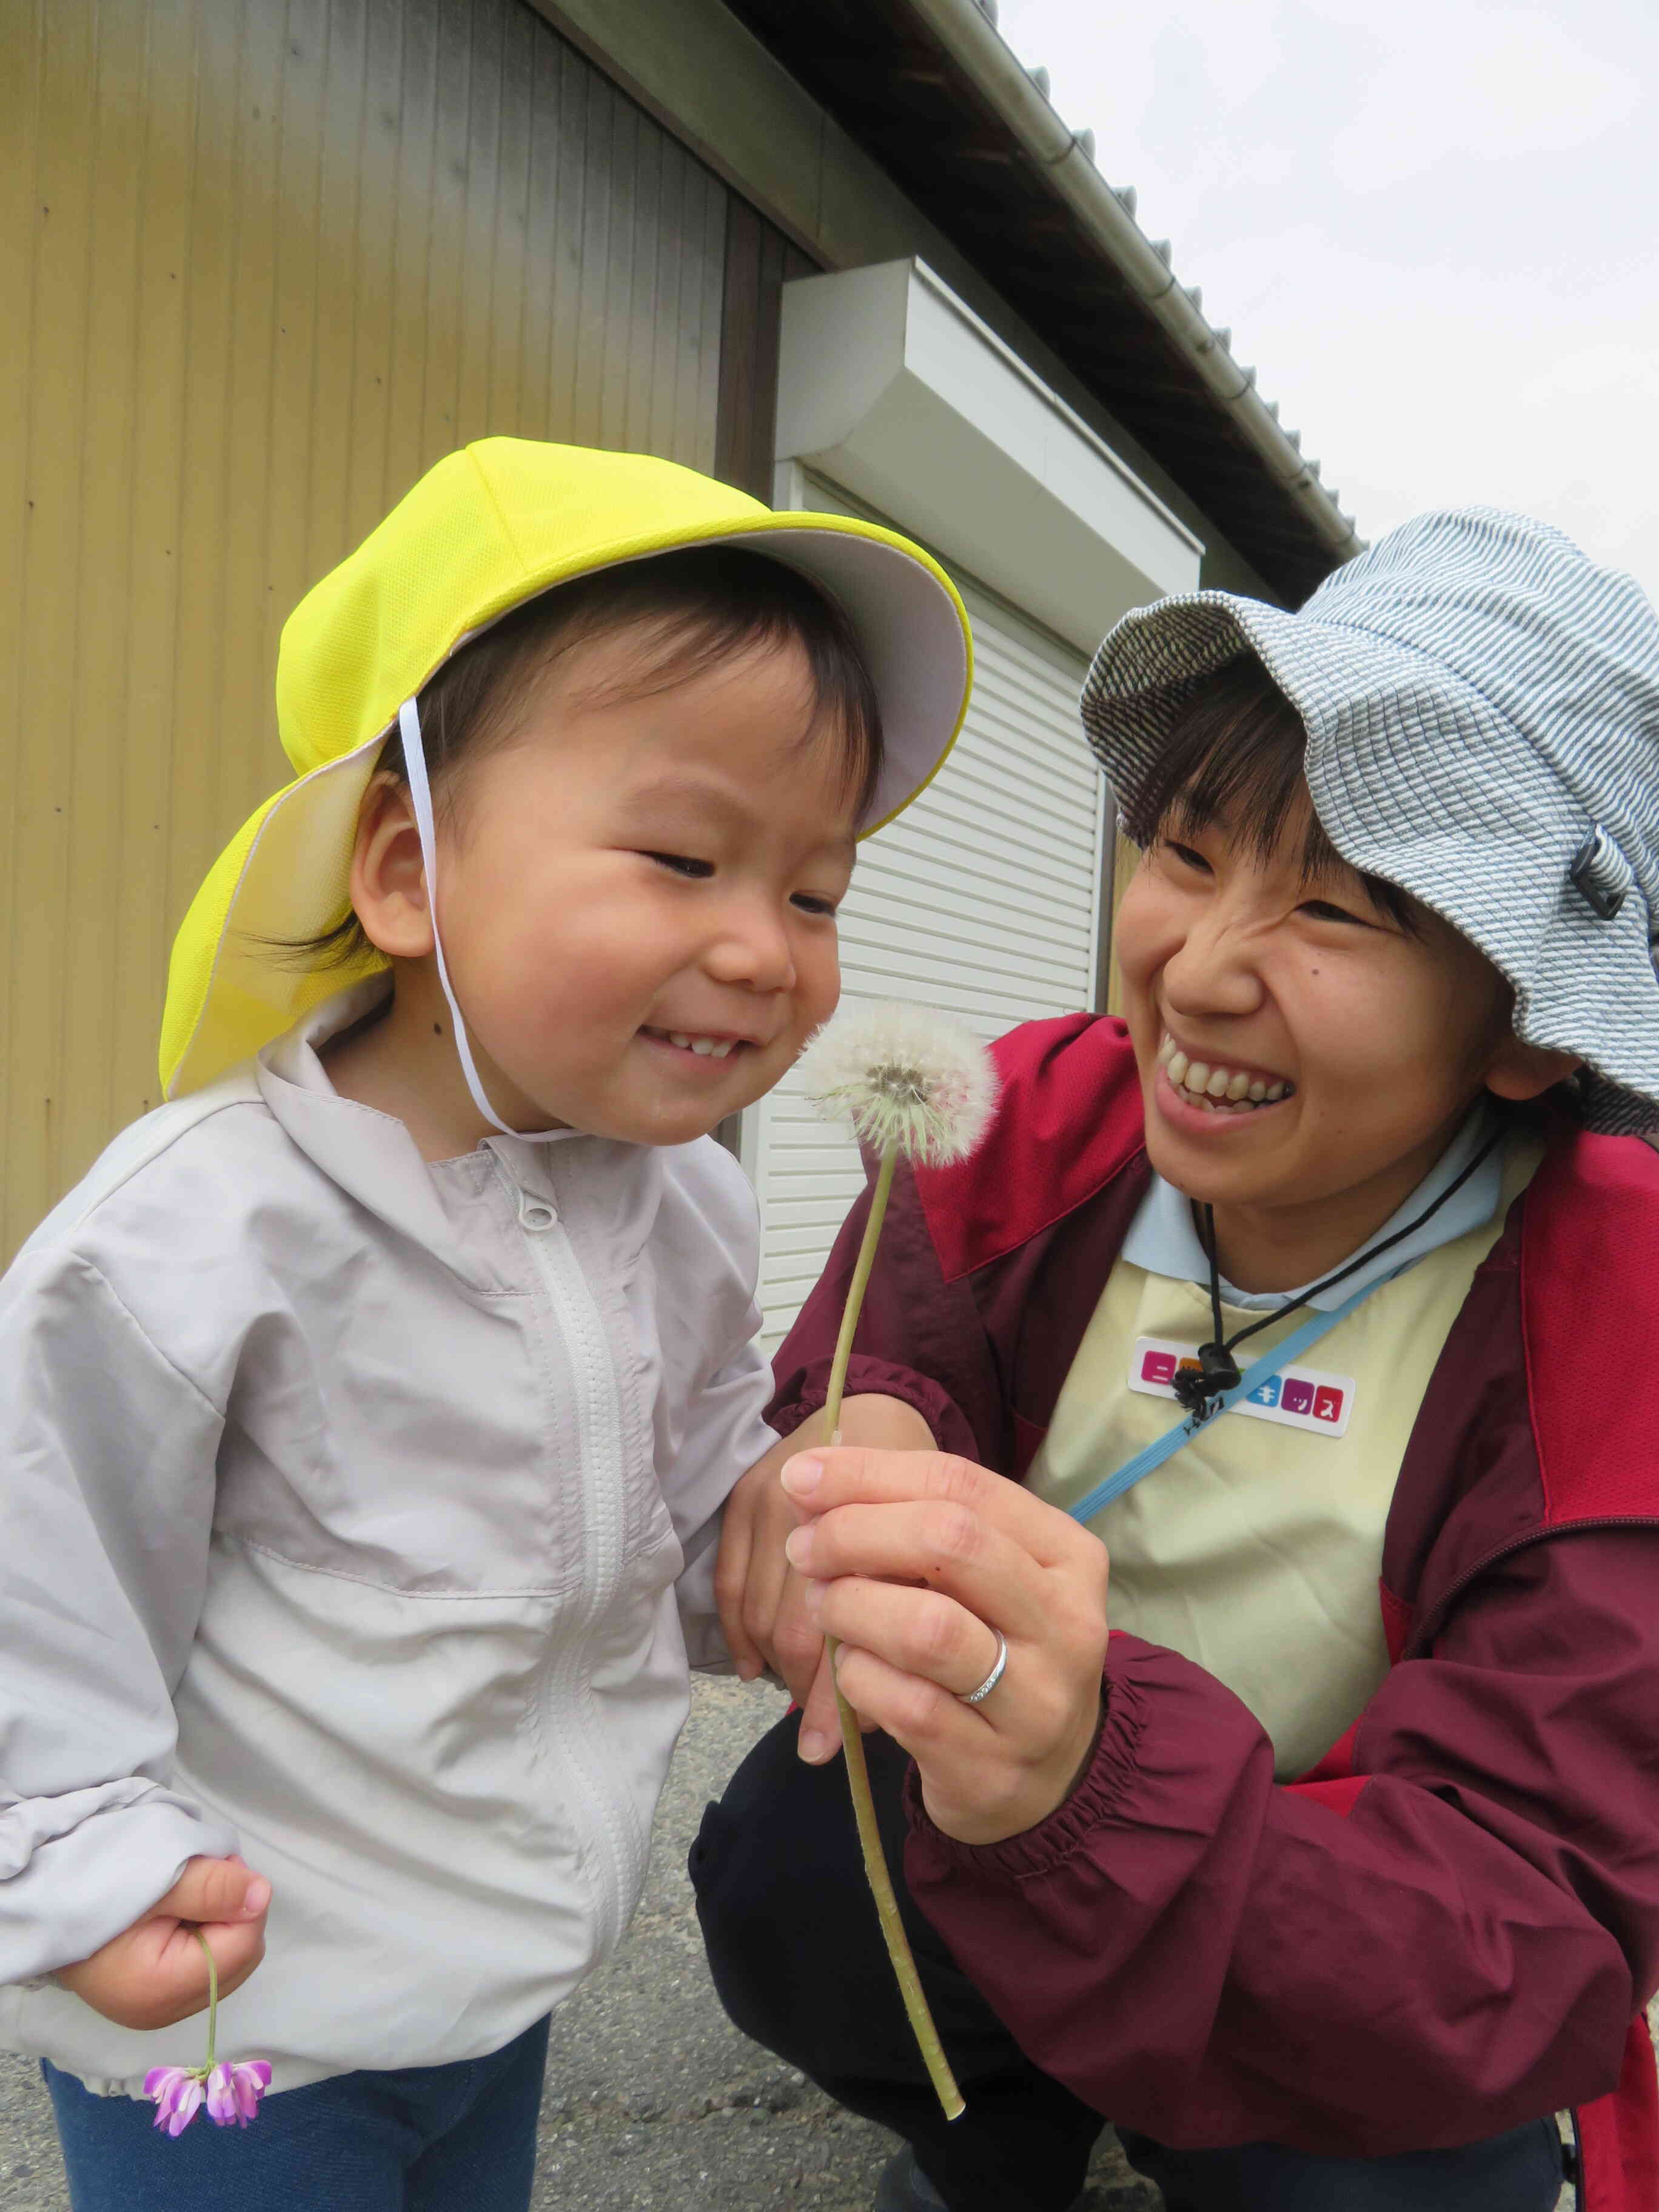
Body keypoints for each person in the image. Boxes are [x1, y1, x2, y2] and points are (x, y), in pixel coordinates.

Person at [0, 437, 970, 2211]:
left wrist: (776, 1554)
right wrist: (74, 1867)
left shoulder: (688, 1208)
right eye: (684, 855)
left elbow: (671, 1509)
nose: (767, 947)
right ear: (402, 869)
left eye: (816, 889)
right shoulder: (200, 1238)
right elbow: (33, 1577)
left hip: (496, 1984)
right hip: (242, 2015)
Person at [697, 508, 1659, 2212]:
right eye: (1191, 852)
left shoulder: (1616, 1311)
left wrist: (1095, 1780)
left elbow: (1530, 1898)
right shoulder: (1042, 1117)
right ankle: (991, 2125)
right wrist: (867, 1424)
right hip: (1018, 1798)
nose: (1200, 974)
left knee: (1386, 2146)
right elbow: (911, 1334)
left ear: (1521, 1025)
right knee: (793, 1865)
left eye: (1342, 914)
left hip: (1344, 1899)